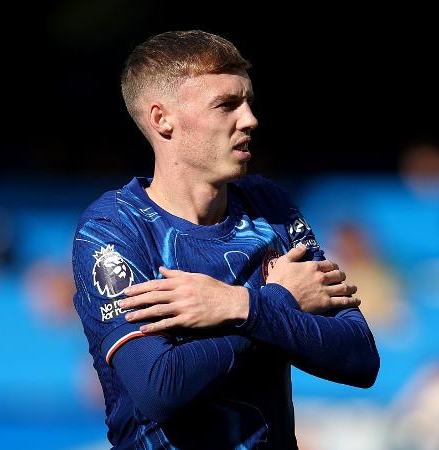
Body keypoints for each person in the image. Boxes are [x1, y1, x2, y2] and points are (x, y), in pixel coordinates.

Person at [72, 30, 379, 450]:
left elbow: (360, 358)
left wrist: (236, 306)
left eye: (248, 101)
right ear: (163, 119)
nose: (250, 119)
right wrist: (272, 305)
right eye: (227, 105)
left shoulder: (269, 207)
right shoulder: (114, 229)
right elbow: (161, 388)